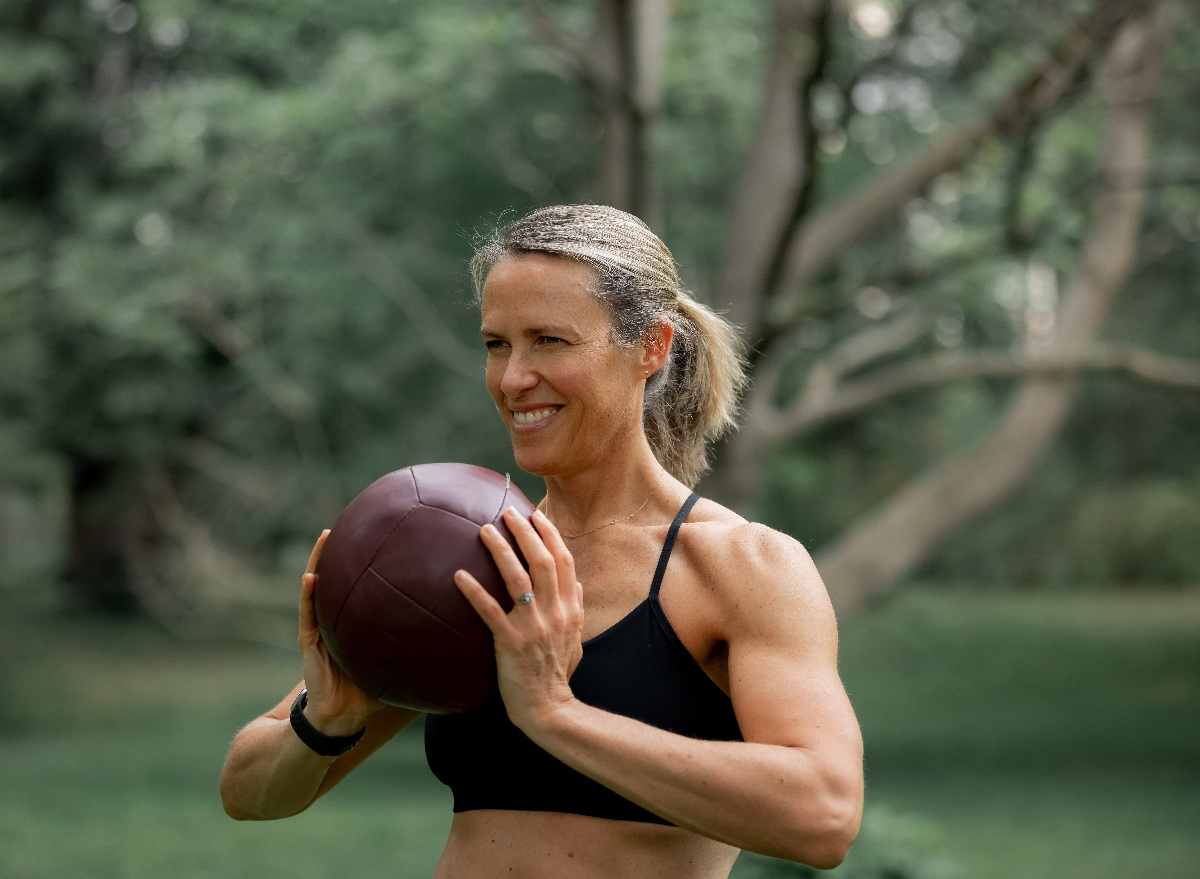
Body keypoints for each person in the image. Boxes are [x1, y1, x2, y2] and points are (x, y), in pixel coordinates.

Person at [220, 204, 864, 878]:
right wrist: (325, 720)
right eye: (496, 343)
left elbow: (822, 815)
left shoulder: (736, 565)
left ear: (651, 346)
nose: (513, 377)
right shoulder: (471, 555)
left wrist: (556, 715)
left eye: (549, 341)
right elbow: (247, 793)